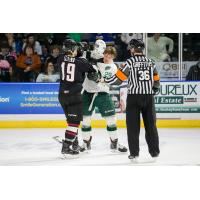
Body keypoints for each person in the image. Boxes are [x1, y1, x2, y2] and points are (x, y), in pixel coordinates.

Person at [105, 39, 160, 162]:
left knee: (133, 127)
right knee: (151, 126)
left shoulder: (130, 62)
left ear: (134, 49)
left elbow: (118, 80)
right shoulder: (151, 62)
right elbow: (156, 78)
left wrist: (105, 80)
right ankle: (155, 152)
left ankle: (134, 154)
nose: (130, 50)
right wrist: (155, 87)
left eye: (131, 48)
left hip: (134, 97)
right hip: (149, 97)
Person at [80, 41, 127, 153]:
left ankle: (114, 142)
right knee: (85, 120)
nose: (107, 56)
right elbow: (82, 61)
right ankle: (86, 143)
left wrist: (96, 78)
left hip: (102, 94)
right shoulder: (92, 58)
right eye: (106, 53)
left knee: (111, 120)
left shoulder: (113, 68)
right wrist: (84, 51)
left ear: (114, 56)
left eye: (110, 55)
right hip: (87, 93)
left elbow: (108, 82)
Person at [57, 39, 97, 156]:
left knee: (71, 122)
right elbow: (92, 71)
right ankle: (66, 147)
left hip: (62, 96)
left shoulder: (59, 58)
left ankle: (75, 144)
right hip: (74, 95)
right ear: (73, 49)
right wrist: (84, 54)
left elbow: (69, 59)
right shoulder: (81, 62)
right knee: (74, 124)